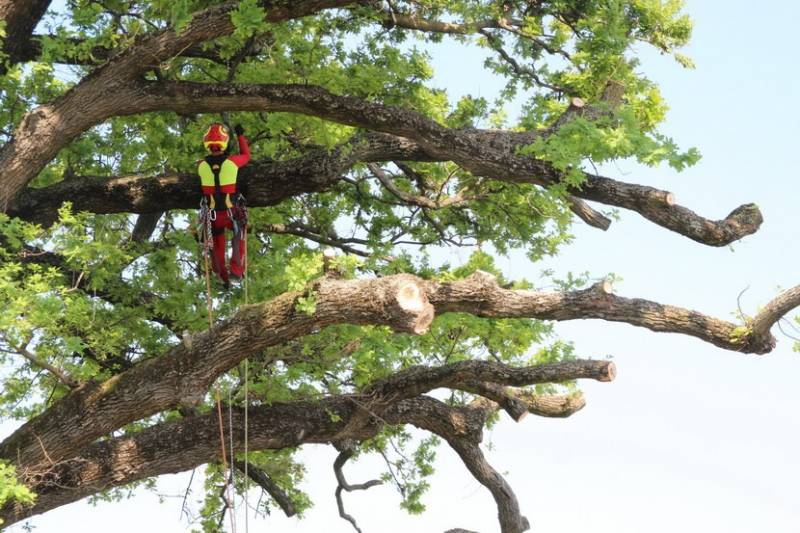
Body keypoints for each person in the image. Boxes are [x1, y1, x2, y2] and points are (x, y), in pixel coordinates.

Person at [197, 123, 250, 289]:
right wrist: (240, 136)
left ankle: (221, 275)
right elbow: (247, 156)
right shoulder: (232, 162)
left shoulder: (200, 166)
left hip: (213, 217)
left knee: (216, 248)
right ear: (225, 142)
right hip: (231, 213)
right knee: (237, 239)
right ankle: (236, 271)